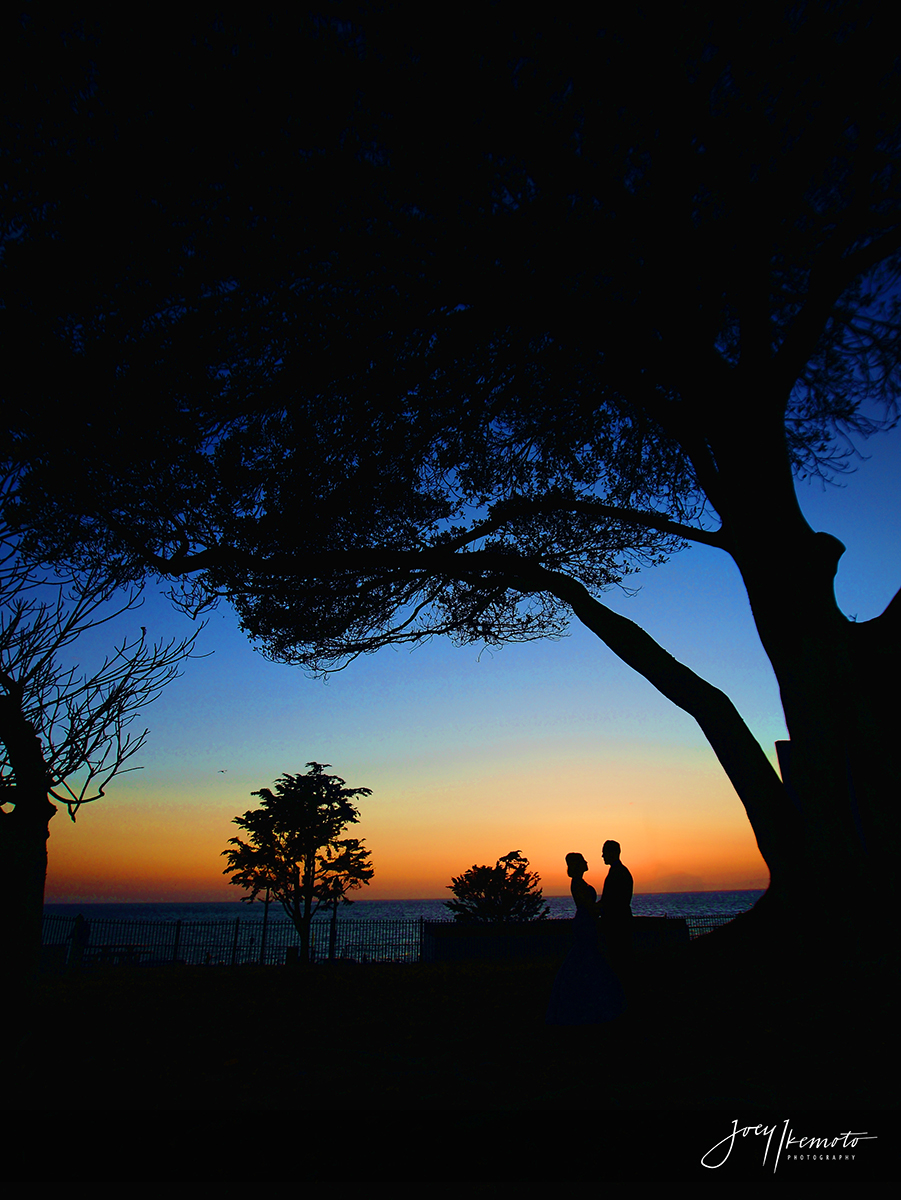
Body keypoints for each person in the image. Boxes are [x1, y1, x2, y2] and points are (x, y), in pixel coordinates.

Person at [545, 852, 625, 1025]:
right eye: (583, 861)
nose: (587, 862)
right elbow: (589, 907)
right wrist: (606, 908)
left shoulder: (579, 883)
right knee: (586, 956)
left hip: (587, 922)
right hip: (585, 923)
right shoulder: (578, 884)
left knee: (587, 956)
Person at [598, 839, 633, 969]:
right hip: (619, 922)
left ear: (612, 853)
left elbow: (613, 901)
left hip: (618, 924)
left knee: (619, 960)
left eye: (604, 852)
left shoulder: (618, 872)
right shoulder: (620, 871)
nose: (602, 856)